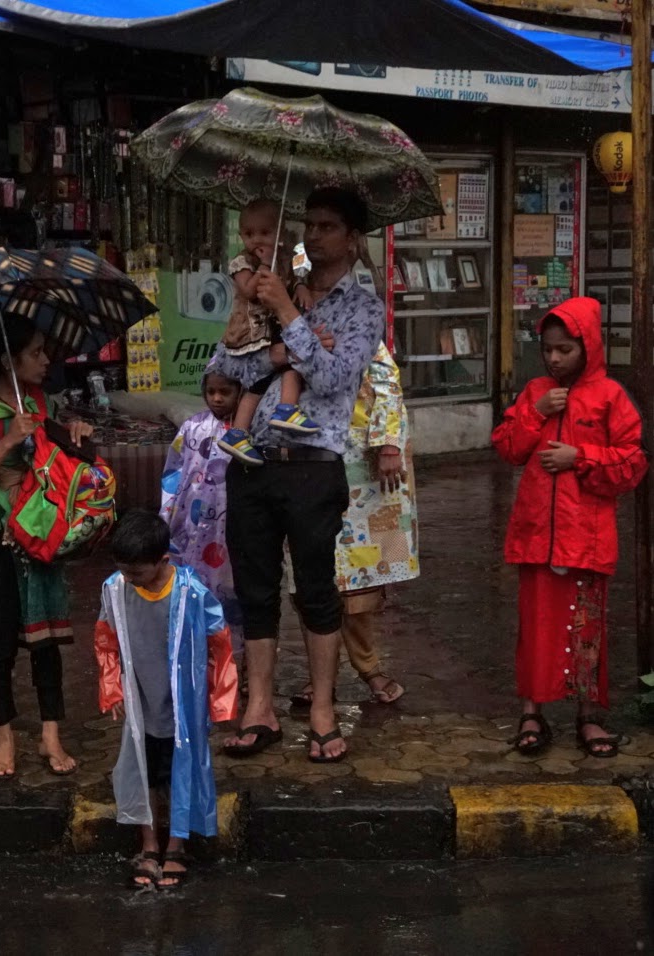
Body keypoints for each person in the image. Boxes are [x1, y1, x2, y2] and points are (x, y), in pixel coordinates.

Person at [213, 187, 384, 764]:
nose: (314, 235)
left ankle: (322, 710)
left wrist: (289, 315)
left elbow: (336, 378)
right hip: (252, 461)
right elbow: (224, 365)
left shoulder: (362, 307)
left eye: (328, 226)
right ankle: (258, 707)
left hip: (313, 464)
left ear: (354, 238)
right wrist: (282, 346)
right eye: (308, 224)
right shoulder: (266, 283)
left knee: (316, 591)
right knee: (256, 589)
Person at [492, 297, 647, 759]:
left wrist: (580, 458)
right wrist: (536, 411)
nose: (555, 359)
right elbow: (508, 448)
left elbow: (632, 462)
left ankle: (588, 715)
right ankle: (531, 711)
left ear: (588, 347)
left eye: (565, 350)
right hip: (536, 534)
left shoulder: (611, 397)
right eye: (549, 350)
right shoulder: (536, 391)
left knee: (587, 628)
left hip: (587, 537)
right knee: (535, 628)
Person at [0, 316, 92, 778]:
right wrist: (9, 440)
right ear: (7, 361)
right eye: (36, 352)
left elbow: (54, 461)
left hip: (43, 536)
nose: (46, 359)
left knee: (48, 641)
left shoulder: (39, 404)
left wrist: (70, 433)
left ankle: (50, 734)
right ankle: (4, 735)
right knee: (1, 644)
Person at [94, 511, 237, 888]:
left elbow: (219, 642)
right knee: (143, 768)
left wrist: (218, 698)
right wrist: (112, 688)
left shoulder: (191, 592)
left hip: (182, 702)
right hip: (141, 698)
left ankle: (177, 845)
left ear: (163, 560)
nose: (129, 579)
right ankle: (149, 844)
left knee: (179, 771)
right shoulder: (115, 589)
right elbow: (106, 638)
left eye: (137, 573)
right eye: (124, 571)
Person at [289, 341, 417, 711]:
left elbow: (386, 382)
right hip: (303, 461)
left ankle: (368, 665)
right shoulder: (285, 330)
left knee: (361, 576)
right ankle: (320, 676)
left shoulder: (356, 327)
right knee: (306, 575)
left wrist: (388, 444)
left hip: (361, 463)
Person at [217, 199, 318, 466]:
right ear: (241, 236)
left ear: (279, 234)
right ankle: (286, 409)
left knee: (259, 384)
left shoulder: (286, 257)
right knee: (290, 364)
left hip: (272, 329)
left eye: (264, 233)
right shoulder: (242, 261)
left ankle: (237, 434)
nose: (256, 240)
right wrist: (263, 265)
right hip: (250, 333)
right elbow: (250, 291)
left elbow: (297, 274)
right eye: (249, 234)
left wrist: (300, 286)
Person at [159, 365, 245, 663]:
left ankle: (235, 665)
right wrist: (165, 524)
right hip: (191, 532)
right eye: (211, 392)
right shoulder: (191, 428)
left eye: (225, 392)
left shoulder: (246, 434)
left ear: (240, 392)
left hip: (232, 531)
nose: (217, 398)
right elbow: (173, 477)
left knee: (232, 597)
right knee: (193, 592)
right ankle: (199, 661)